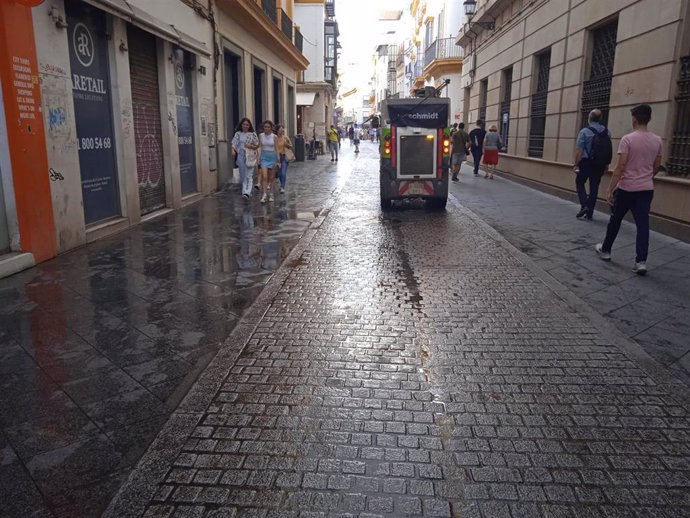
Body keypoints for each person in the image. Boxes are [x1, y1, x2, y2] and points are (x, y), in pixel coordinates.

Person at [595, 104, 662, 276]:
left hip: (627, 188)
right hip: (646, 189)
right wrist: (646, 177)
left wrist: (610, 189)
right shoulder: (657, 140)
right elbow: (656, 167)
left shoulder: (628, 139)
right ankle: (641, 262)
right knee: (643, 224)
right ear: (649, 119)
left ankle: (606, 250)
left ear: (634, 118)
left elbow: (620, 167)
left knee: (615, 219)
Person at [574, 109, 612, 220]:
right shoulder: (607, 132)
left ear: (589, 118)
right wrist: (606, 164)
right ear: (600, 119)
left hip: (586, 162)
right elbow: (607, 149)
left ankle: (584, 205)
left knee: (580, 182)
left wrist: (576, 164)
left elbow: (579, 150)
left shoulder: (584, 131)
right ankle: (589, 214)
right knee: (594, 187)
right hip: (599, 164)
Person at [231, 117, 259, 200]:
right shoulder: (238, 134)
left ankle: (247, 192)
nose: (245, 126)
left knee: (249, 175)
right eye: (244, 124)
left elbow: (257, 145)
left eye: (247, 124)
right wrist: (232, 150)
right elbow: (234, 143)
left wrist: (250, 146)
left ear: (249, 125)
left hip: (250, 155)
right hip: (241, 155)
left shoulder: (252, 134)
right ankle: (245, 192)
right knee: (243, 174)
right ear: (241, 125)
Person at [258, 120, 278, 203]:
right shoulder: (261, 136)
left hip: (272, 157)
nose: (266, 128)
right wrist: (258, 157)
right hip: (264, 157)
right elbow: (260, 147)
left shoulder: (274, 137)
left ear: (271, 128)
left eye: (268, 127)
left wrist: (278, 159)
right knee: (264, 176)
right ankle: (264, 194)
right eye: (265, 127)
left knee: (272, 178)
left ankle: (272, 194)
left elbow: (276, 149)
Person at [275, 124, 293, 194]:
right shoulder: (275, 138)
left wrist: (286, 144)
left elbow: (291, 146)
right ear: (277, 130)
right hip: (277, 157)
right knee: (279, 173)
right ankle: (282, 184)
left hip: (284, 157)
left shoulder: (285, 137)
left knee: (283, 173)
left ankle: (282, 187)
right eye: (280, 129)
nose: (281, 130)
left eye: (282, 129)